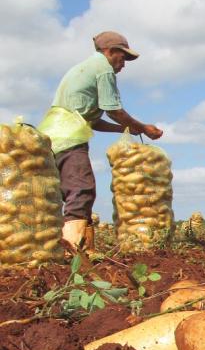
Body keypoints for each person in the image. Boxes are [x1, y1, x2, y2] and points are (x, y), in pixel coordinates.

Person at [38, 31, 163, 251]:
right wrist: (142, 127)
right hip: (68, 138)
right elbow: (113, 109)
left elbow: (92, 121)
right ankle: (72, 252)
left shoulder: (83, 68)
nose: (123, 64)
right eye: (122, 57)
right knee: (81, 189)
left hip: (52, 136)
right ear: (110, 51)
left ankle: (82, 248)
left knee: (63, 193)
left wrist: (125, 129)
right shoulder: (103, 69)